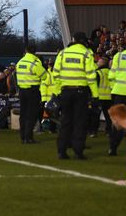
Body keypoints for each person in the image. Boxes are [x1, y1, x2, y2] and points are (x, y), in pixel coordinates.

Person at [52, 31, 97, 160]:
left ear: (73, 39)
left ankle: (61, 151)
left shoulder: (63, 53)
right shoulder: (86, 54)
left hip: (65, 91)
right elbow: (91, 76)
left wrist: (57, 92)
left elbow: (56, 74)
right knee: (79, 122)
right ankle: (78, 151)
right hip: (80, 92)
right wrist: (95, 94)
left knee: (65, 121)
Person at [15, 43, 47, 144]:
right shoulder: (35, 62)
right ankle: (28, 138)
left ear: (26, 50)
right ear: (35, 51)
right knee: (31, 115)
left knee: (23, 114)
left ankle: (23, 137)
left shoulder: (20, 61)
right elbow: (44, 76)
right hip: (32, 91)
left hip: (22, 91)